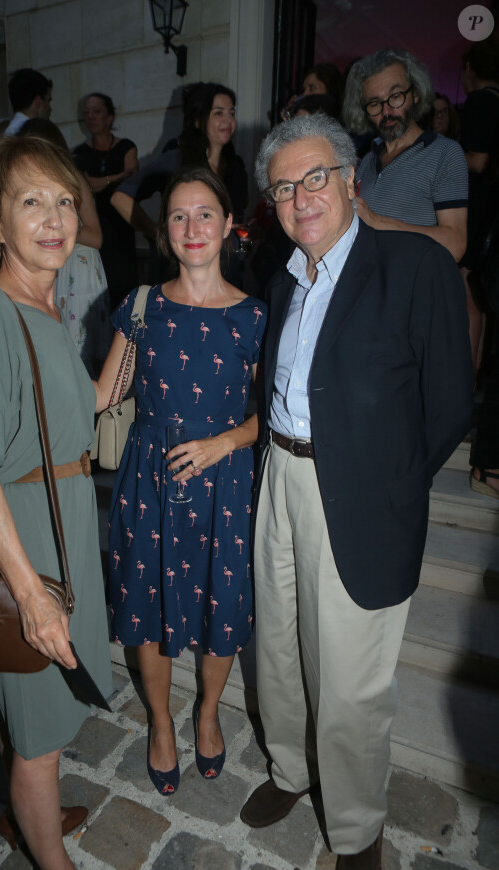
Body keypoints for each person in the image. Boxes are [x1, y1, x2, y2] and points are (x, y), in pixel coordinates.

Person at [240, 114, 472, 869]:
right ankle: (289, 768)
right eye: (283, 186)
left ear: (349, 182)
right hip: (279, 474)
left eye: (315, 178)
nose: (300, 197)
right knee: (276, 649)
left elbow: (448, 406)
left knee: (349, 684)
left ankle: (355, 825)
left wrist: (396, 483)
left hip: (362, 492)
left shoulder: (415, 267)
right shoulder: (283, 279)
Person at [0, 136, 112, 868]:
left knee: (48, 718)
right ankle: (50, 854)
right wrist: (32, 598)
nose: (54, 218)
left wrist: (132, 343)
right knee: (37, 741)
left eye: (65, 200)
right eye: (31, 201)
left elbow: (72, 418)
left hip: (64, 523)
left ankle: (29, 814)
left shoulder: (44, 310)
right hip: (26, 545)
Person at [96, 167, 266, 795]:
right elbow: (101, 393)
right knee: (150, 609)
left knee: (221, 606)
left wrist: (223, 442)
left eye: (204, 214)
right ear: (165, 231)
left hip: (225, 481)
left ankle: (208, 711)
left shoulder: (255, 317)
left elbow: (271, 414)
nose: (192, 227)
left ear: (227, 225)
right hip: (152, 481)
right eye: (178, 215)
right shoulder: (142, 306)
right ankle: (162, 723)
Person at [111, 82, 248, 287]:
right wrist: (159, 234)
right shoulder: (176, 160)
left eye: (232, 113)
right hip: (183, 274)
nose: (228, 120)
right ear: (197, 120)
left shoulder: (236, 166)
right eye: (218, 113)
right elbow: (119, 198)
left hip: (227, 272)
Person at [342, 48, 468, 263]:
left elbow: (455, 244)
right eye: (374, 103)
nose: (387, 111)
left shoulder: (445, 153)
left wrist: (377, 222)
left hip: (412, 291)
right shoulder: (367, 161)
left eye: (396, 96)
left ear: (416, 93)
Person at [18, 118, 111, 377]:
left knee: (82, 358)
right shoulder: (36, 184)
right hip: (57, 273)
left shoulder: (73, 178)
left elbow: (96, 236)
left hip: (79, 276)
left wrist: (60, 227)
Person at [73, 93, 139, 307]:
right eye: (87, 112)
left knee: (126, 290)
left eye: (97, 111)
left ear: (110, 117)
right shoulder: (79, 153)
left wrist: (97, 182)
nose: (90, 116)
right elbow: (86, 184)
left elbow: (133, 175)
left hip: (122, 226)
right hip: (96, 227)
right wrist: (116, 177)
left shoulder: (126, 147)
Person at [459, 38, 499, 373]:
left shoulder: (479, 104)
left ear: (471, 69)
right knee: (481, 293)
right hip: (492, 205)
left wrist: (443, 155)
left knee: (467, 284)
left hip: (478, 204)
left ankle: (466, 374)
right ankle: (476, 371)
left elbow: (478, 160)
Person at [4, 68, 53, 136]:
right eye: (48, 101)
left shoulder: (11, 133)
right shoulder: (29, 136)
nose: (50, 109)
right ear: (38, 102)